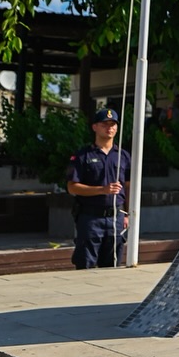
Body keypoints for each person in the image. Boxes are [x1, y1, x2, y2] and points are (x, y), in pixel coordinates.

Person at [66, 108, 131, 269]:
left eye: (113, 124)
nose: (110, 128)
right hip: (90, 217)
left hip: (115, 217)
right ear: (95, 127)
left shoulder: (123, 156)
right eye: (105, 124)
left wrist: (127, 214)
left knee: (112, 265)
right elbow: (72, 187)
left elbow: (128, 186)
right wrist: (102, 190)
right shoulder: (83, 155)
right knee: (85, 265)